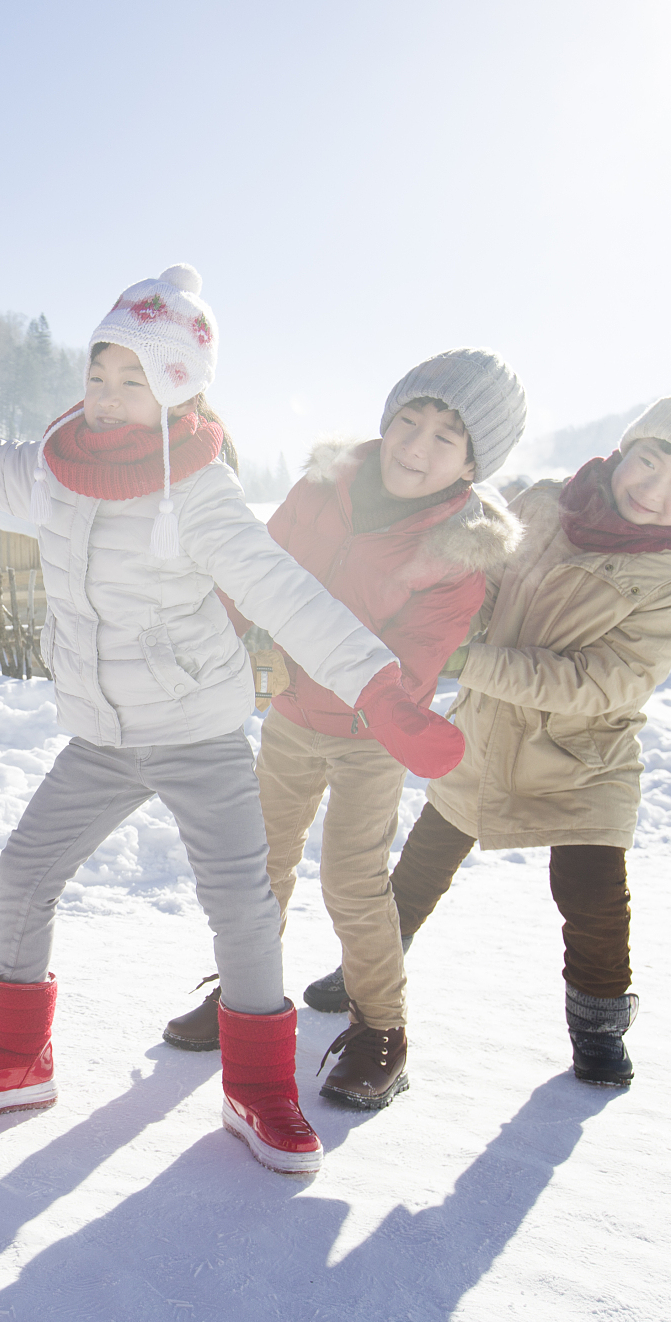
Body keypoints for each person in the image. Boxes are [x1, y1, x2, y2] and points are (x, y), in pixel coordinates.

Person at [0, 266, 465, 1174]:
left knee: (240, 903)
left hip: (197, 731)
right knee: (24, 869)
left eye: (135, 381)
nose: (108, 397)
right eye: (99, 374)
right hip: (103, 736)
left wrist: (379, 688)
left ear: (179, 391)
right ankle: (15, 1058)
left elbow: (289, 595)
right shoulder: (55, 470)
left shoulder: (200, 492)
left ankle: (260, 1088)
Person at [161, 351, 525, 1114]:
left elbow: (415, 662)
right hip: (294, 714)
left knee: (353, 883)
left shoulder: (460, 552)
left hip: (371, 730)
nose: (416, 446)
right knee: (259, 865)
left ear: (471, 463)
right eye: (409, 420)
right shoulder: (322, 487)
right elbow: (257, 567)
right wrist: (219, 637)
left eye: (446, 438)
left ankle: (381, 1032)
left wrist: (345, 680)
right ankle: (245, 997)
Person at [378, 383, 671, 1087]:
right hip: (490, 724)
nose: (655, 488)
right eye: (649, 461)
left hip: (584, 751)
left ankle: (598, 1025)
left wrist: (473, 661)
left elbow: (602, 680)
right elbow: (486, 582)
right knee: (428, 852)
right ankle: (368, 966)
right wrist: (450, 629)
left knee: (590, 892)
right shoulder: (543, 503)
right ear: (625, 449)